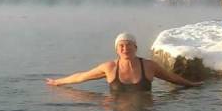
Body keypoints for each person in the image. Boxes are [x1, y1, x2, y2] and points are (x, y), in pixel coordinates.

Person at [46, 33, 203, 91]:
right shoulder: (109, 67)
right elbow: (81, 77)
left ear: (135, 47)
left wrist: (191, 84)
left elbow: (171, 78)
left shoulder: (148, 66)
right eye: (121, 45)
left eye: (129, 45)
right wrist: (58, 82)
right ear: (117, 49)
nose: (125, 48)